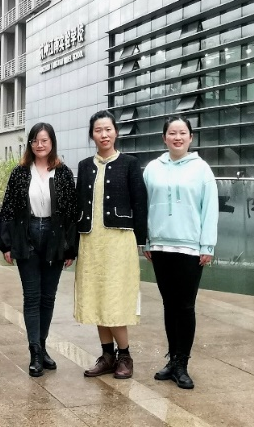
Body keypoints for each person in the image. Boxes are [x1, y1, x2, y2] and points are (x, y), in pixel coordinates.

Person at [143, 116, 218, 390]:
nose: (177, 137)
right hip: (160, 247)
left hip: (190, 248)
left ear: (191, 137)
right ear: (164, 138)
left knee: (185, 306)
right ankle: (172, 359)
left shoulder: (202, 169)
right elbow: (145, 205)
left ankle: (182, 364)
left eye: (182, 133)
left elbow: (210, 208)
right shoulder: (152, 168)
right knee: (168, 305)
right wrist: (146, 240)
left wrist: (207, 245)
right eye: (172, 133)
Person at [0, 122, 77, 377]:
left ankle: (42, 347)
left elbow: (71, 212)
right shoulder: (20, 173)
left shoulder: (63, 173)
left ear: (52, 142)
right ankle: (34, 353)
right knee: (32, 297)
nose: (39, 145)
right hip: (27, 234)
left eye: (44, 140)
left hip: (54, 236)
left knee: (48, 297)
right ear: (30, 144)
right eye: (35, 141)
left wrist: (70, 248)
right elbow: (9, 208)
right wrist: (7, 244)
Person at [74, 111, 147, 380]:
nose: (103, 135)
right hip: (91, 241)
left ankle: (125, 356)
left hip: (119, 242)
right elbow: (78, 206)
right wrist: (72, 244)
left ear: (115, 132)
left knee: (115, 298)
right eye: (98, 130)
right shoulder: (84, 166)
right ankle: (107, 356)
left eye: (108, 129)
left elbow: (140, 203)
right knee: (96, 297)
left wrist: (142, 241)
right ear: (92, 135)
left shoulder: (130, 164)